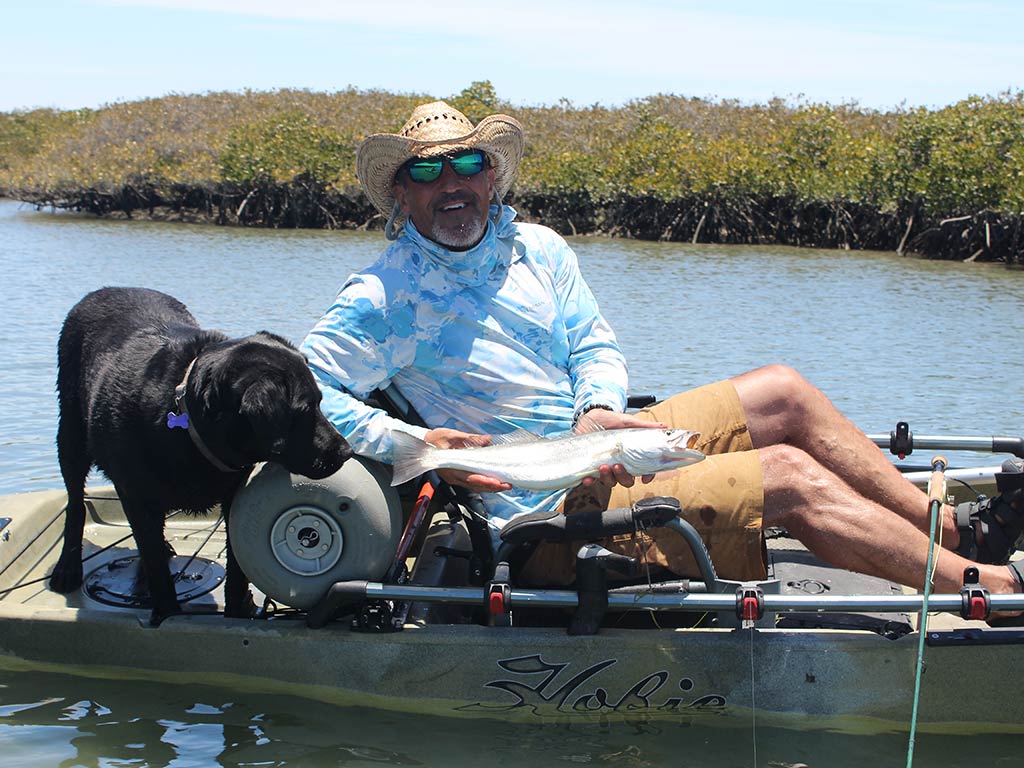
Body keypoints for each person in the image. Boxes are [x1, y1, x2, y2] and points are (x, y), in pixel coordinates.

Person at [301, 101, 1023, 603]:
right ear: (401, 195)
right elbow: (308, 386)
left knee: (784, 390)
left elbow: (595, 345)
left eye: (465, 164)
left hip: (591, 445)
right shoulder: (382, 296)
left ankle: (953, 530)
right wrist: (415, 440)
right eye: (426, 174)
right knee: (790, 476)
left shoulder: (538, 250)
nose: (451, 186)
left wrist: (598, 411)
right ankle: (991, 589)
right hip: (537, 510)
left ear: (491, 175)